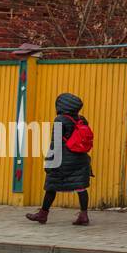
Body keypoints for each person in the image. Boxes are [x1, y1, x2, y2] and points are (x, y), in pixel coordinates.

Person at [25, 93, 93, 227]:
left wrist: (49, 161)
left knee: (51, 185)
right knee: (81, 187)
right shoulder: (81, 119)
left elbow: (55, 143)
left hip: (63, 160)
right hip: (81, 159)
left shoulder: (60, 120)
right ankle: (83, 215)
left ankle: (43, 214)